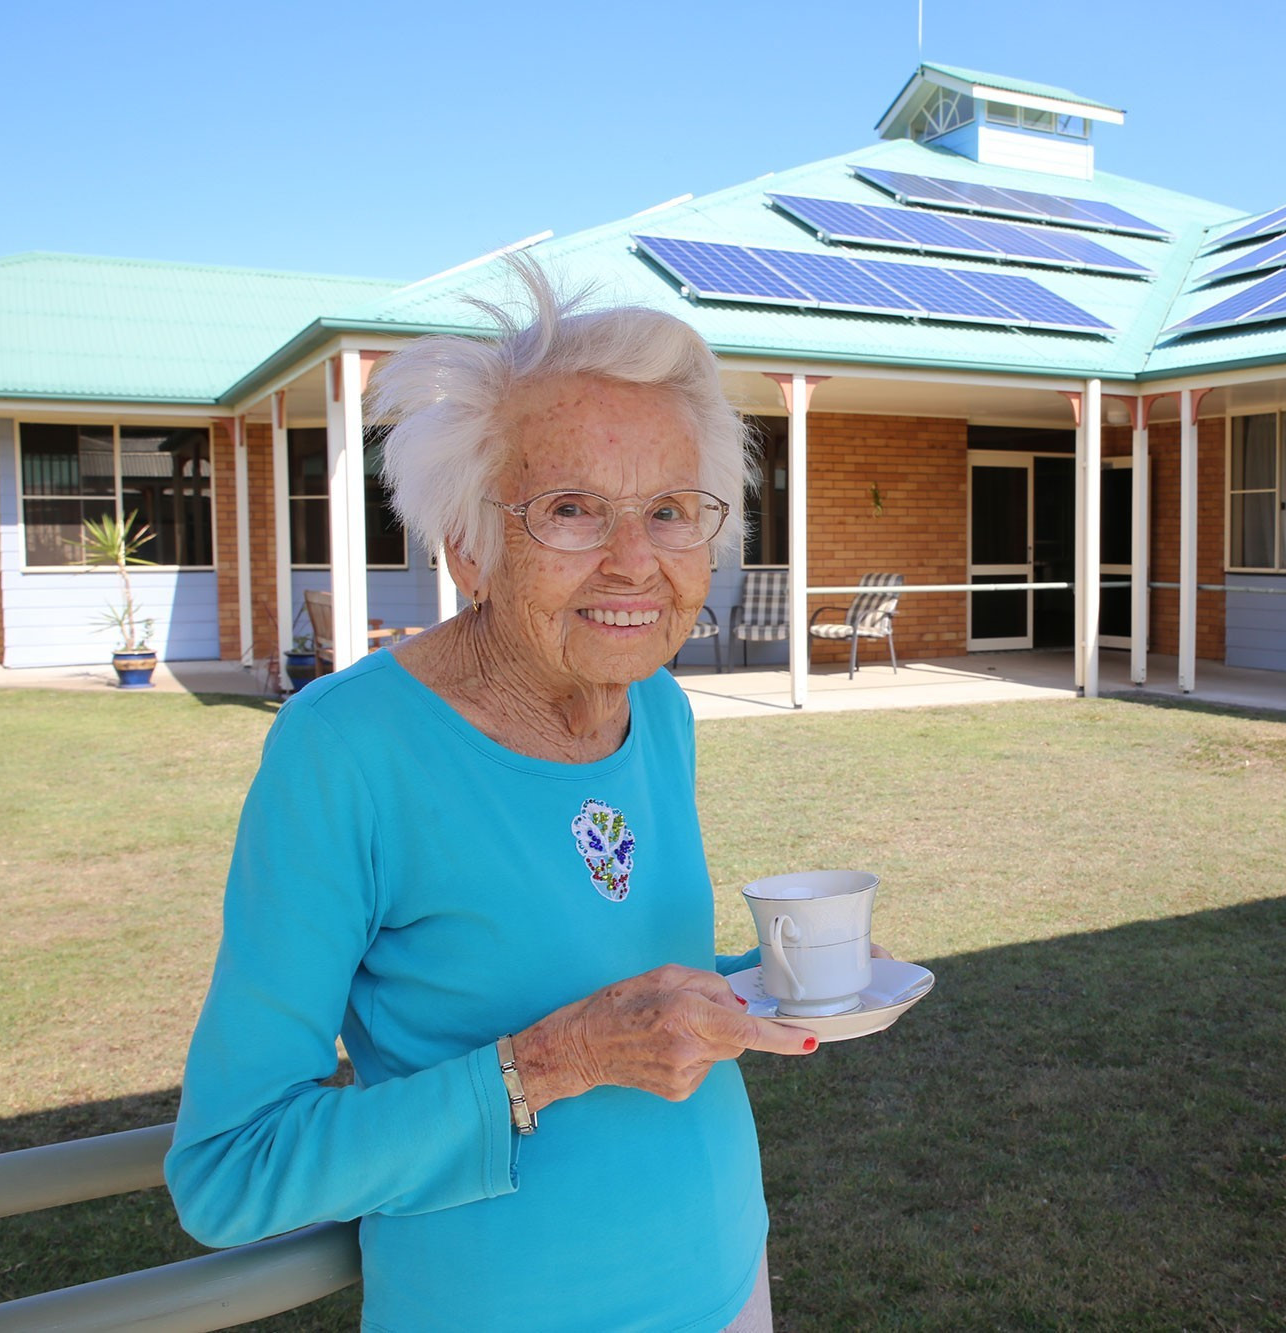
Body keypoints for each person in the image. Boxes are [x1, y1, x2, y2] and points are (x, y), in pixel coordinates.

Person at [166, 261, 825, 1332]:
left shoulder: (656, 710)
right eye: (570, 510)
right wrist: (550, 1063)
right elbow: (231, 1172)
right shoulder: (344, 750)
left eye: (668, 510)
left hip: (725, 1282)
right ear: (467, 543)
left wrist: (788, 982)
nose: (632, 562)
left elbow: (628, 983)